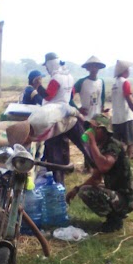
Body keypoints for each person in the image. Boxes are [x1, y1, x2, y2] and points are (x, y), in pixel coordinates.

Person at [65, 114, 133, 232]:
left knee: (87, 192)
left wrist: (92, 144)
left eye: (93, 128)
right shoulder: (100, 147)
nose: (90, 131)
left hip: (126, 197)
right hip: (115, 191)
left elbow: (104, 166)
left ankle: (115, 219)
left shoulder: (113, 145)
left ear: (103, 130)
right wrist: (76, 189)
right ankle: (114, 215)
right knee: (86, 189)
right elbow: (96, 178)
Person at [41, 52, 91, 183]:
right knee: (85, 145)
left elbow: (48, 96)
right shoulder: (69, 76)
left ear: (50, 64)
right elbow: (72, 93)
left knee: (55, 153)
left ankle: (58, 183)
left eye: (46, 66)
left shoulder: (55, 79)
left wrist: (37, 87)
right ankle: (100, 169)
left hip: (55, 118)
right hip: (68, 114)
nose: (46, 69)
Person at [111, 60, 133, 160]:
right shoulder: (125, 82)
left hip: (116, 118)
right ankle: (126, 164)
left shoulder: (114, 84)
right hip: (126, 117)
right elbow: (130, 102)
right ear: (125, 70)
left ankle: (116, 163)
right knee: (131, 143)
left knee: (117, 145)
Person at [74, 56, 106, 120]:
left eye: (96, 66)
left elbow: (102, 97)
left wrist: (102, 108)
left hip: (98, 118)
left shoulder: (101, 82)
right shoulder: (81, 82)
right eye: (91, 66)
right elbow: (69, 96)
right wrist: (77, 109)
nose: (94, 68)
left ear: (99, 68)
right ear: (87, 68)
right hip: (85, 118)